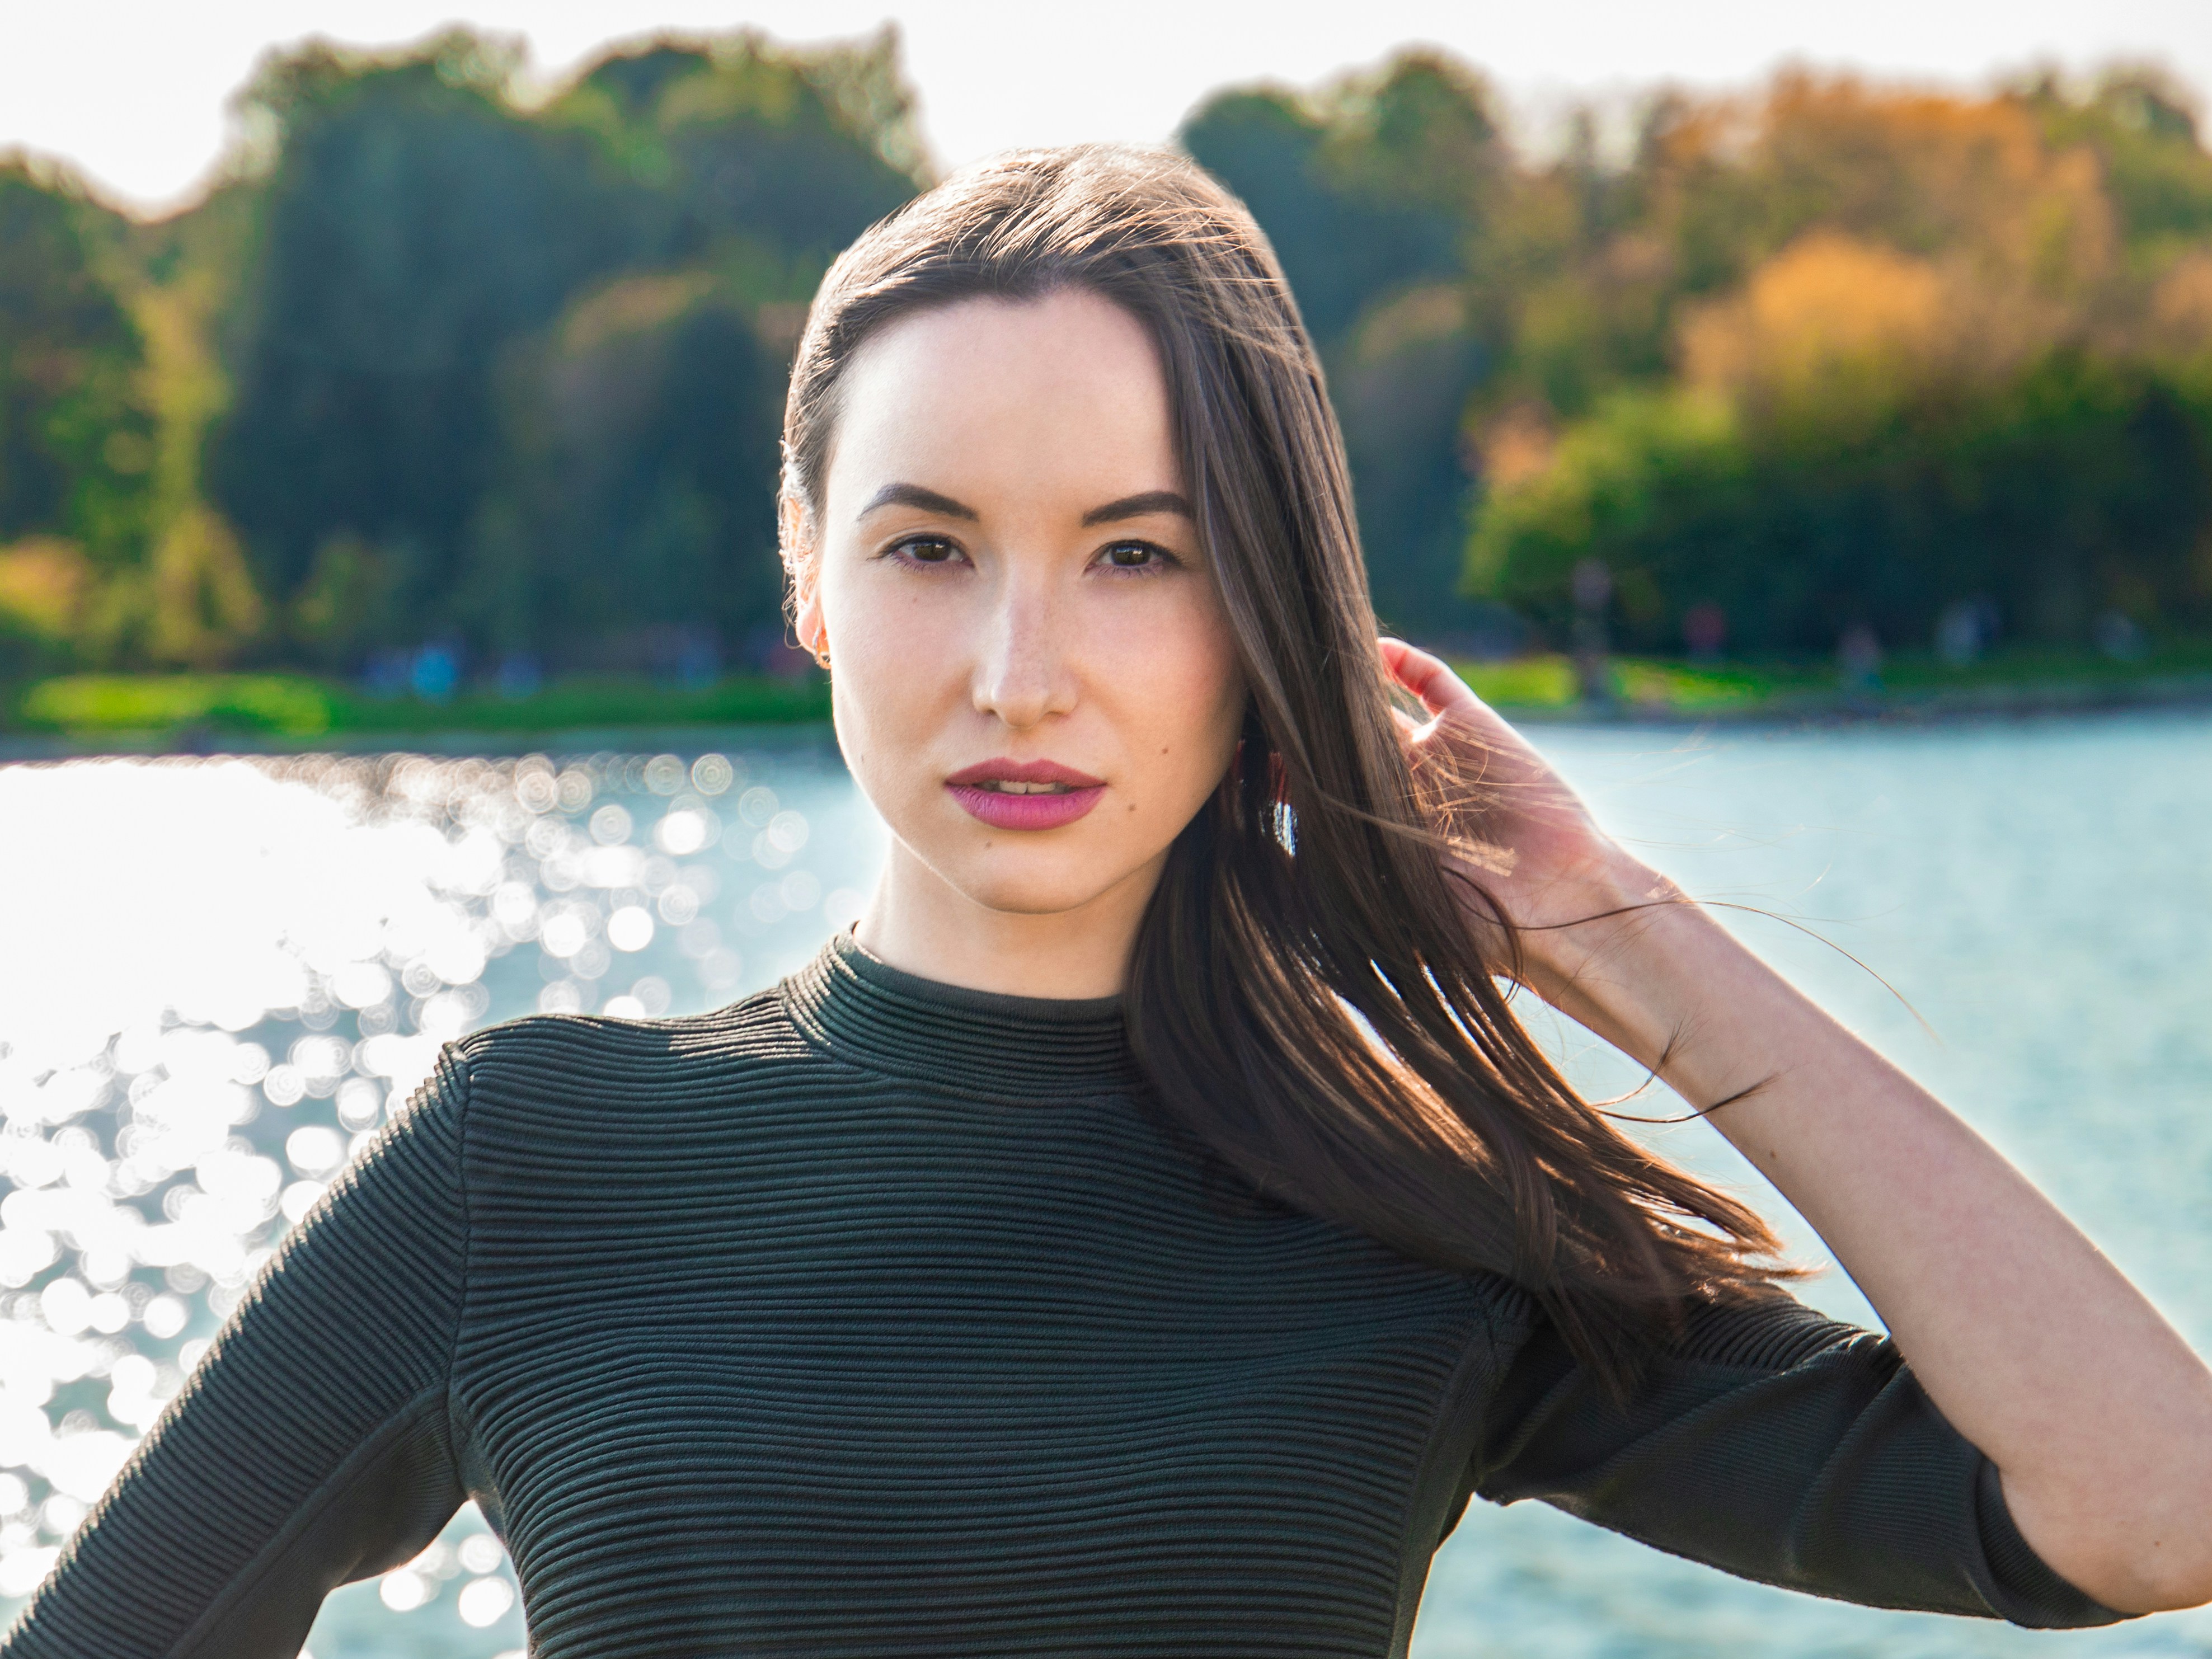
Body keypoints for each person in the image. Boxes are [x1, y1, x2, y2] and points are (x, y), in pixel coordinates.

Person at [7, 145, 2209, 1659]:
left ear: (1262, 607)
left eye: (1135, 553)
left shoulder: (1406, 1211)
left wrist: (1604, 929)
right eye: (928, 542)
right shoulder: (531, 1164)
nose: (1018, 668)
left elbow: (2142, 1503)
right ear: (806, 572)